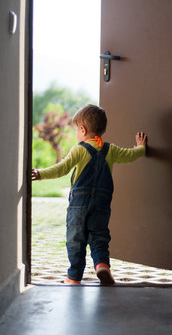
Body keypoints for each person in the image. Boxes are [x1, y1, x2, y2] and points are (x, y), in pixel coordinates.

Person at [32, 104, 147, 285]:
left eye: (76, 129)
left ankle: (74, 277)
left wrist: (40, 174)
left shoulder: (79, 149)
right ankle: (102, 265)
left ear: (83, 130)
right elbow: (130, 155)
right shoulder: (111, 149)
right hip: (101, 204)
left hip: (79, 204)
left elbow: (61, 168)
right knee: (99, 236)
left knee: (75, 240)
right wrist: (141, 147)